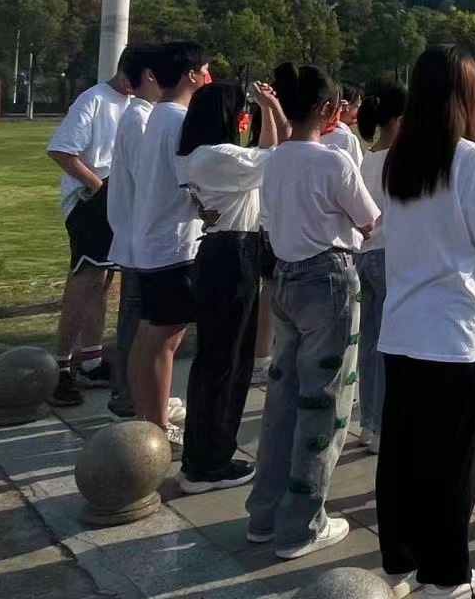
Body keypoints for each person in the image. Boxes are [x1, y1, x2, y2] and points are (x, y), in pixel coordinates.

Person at [376, 46, 475, 599]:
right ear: (464, 97)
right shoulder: (469, 160)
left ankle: (402, 558)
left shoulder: (396, 159)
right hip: (455, 332)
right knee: (454, 460)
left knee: (404, 452)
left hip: (403, 326)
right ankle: (448, 576)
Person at [247, 63, 378, 561]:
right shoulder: (333, 161)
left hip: (284, 278)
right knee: (325, 403)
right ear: (326, 109)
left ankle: (265, 513)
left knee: (283, 398)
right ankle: (301, 523)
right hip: (328, 280)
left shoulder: (276, 159)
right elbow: (369, 220)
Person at [175, 80, 288, 493]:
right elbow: (274, 156)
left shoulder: (198, 155)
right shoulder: (219, 157)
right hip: (233, 255)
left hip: (222, 252)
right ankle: (209, 462)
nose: (242, 117)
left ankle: (204, 454)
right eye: (239, 109)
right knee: (227, 363)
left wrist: (267, 110)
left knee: (218, 360)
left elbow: (264, 153)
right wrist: (271, 108)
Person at [127, 41, 209, 449]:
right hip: (172, 244)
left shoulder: (157, 115)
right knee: (167, 338)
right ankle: (158, 427)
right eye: (205, 70)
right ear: (192, 75)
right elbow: (193, 179)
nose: (208, 77)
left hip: (152, 240)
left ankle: (146, 413)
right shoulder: (179, 120)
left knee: (151, 332)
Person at [44, 50, 135, 406]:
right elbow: (62, 150)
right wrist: (98, 187)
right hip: (91, 201)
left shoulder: (134, 104)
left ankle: (92, 360)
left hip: (116, 200)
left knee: (103, 281)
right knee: (85, 280)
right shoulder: (94, 99)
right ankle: (59, 367)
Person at [105, 45, 163, 418]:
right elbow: (149, 179)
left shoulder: (143, 116)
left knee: (139, 319)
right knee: (136, 321)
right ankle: (127, 396)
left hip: (139, 238)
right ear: (148, 77)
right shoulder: (139, 120)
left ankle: (131, 393)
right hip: (138, 239)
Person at [354, 82, 407, 455]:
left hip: (366, 254)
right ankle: (384, 423)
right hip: (390, 256)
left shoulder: (368, 158)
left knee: (370, 344)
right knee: (391, 346)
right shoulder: (400, 159)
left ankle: (369, 424)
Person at [321, 82, 365, 166]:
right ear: (345, 106)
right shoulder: (347, 138)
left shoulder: (311, 132)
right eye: (357, 106)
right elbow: (358, 170)